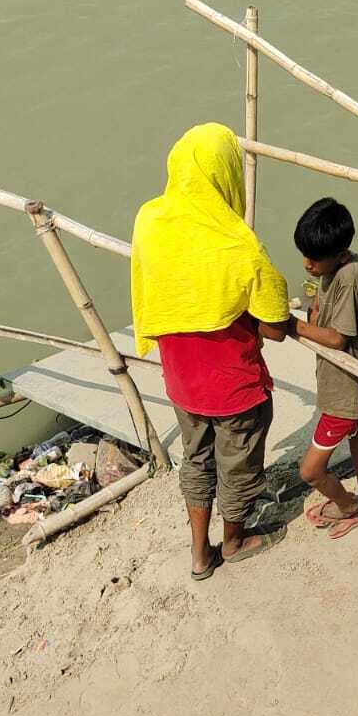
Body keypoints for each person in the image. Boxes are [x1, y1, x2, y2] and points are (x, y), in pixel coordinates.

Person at [131, 123, 293, 580]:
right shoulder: (237, 242)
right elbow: (276, 326)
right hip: (233, 385)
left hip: (181, 380)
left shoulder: (149, 219)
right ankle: (236, 539)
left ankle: (201, 553)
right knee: (237, 464)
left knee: (196, 458)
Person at [292, 199, 358, 540]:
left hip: (346, 385)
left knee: (311, 471)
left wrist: (291, 326)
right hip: (349, 380)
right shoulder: (336, 270)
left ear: (341, 255)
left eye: (313, 260)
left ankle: (349, 505)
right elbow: (322, 314)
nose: (307, 265)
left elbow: (335, 338)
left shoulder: (349, 278)